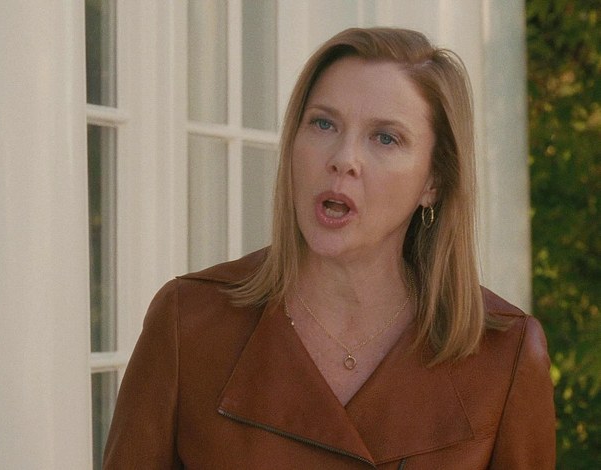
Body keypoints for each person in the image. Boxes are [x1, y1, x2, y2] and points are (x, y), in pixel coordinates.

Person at [103, 27, 555, 469]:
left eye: (385, 137)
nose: (343, 159)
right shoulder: (188, 323)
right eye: (323, 123)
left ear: (433, 181)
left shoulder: (504, 354)